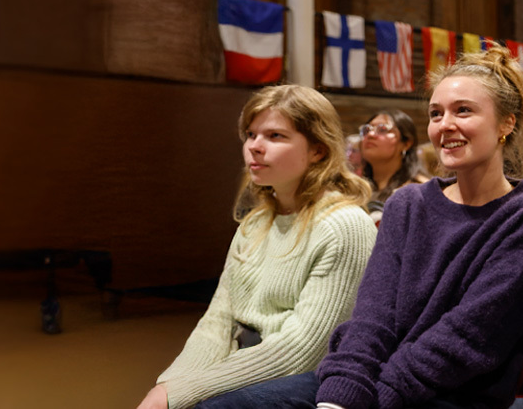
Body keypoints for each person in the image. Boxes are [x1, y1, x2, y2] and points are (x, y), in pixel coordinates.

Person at [222, 46, 523, 409]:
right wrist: (342, 392)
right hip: (374, 380)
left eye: (463, 110)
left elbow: (471, 336)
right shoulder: (407, 203)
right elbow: (372, 315)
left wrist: (377, 399)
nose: (445, 125)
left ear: (506, 123)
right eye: (435, 113)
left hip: (452, 393)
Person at [140, 85, 377, 409]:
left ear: (318, 151)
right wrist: (170, 386)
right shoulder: (255, 222)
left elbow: (304, 348)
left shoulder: (344, 225)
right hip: (250, 360)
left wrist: (187, 392)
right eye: (251, 135)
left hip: (308, 376)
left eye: (275, 136)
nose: (255, 147)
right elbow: (218, 322)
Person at [358, 111, 430, 220]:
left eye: (382, 129)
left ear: (406, 144)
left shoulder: (421, 189)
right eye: (366, 130)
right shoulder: (357, 187)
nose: (370, 135)